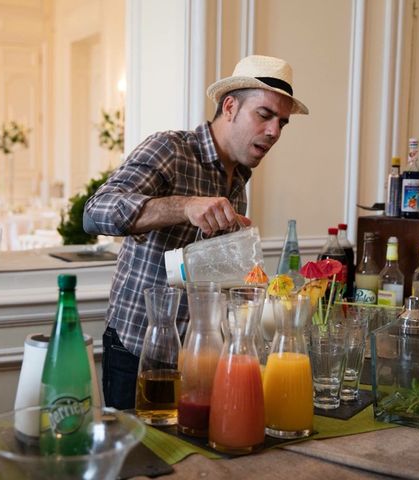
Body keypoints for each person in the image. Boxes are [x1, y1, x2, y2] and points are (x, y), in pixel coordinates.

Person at [83, 54, 309, 409]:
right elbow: (95, 213)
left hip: (199, 356)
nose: (274, 132)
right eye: (264, 116)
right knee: (141, 462)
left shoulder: (238, 185)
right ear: (230, 106)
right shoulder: (171, 149)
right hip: (140, 352)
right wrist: (185, 206)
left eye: (282, 123)